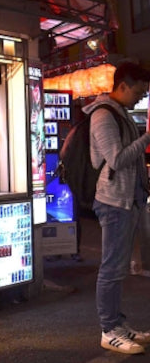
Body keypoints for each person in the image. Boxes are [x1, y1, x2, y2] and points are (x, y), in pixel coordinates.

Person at [87, 61, 150, 354]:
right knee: (111, 268)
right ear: (122, 86)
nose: (140, 97)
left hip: (127, 200)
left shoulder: (121, 112)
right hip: (113, 201)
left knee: (118, 267)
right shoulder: (103, 115)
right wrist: (147, 138)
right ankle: (108, 329)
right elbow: (117, 159)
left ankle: (117, 325)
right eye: (138, 91)